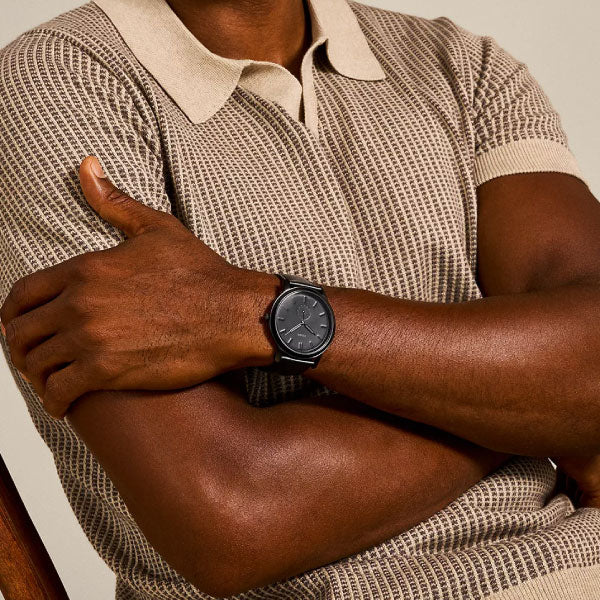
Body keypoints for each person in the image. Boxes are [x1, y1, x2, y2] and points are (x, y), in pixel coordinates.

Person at [0, 0, 599, 598]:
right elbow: (237, 517)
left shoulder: (465, 67)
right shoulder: (55, 83)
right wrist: (536, 405)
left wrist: (252, 311)